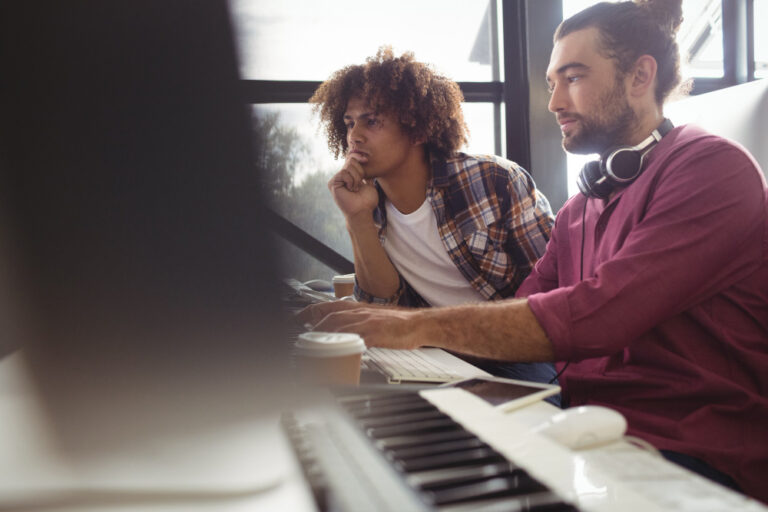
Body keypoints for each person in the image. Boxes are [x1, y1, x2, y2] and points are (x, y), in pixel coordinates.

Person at [302, 0, 768, 502]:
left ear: (640, 76)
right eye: (551, 83)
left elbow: (599, 315)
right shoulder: (580, 209)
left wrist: (411, 326)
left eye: (574, 77)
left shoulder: (712, 169)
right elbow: (523, 312)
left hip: (696, 457)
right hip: (585, 434)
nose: (554, 102)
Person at [309, 47, 558, 385]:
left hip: (514, 352)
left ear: (418, 129)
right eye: (350, 123)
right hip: (431, 352)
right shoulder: (367, 201)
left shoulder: (494, 180)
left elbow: (554, 291)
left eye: (372, 121)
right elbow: (381, 305)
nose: (354, 135)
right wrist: (357, 218)